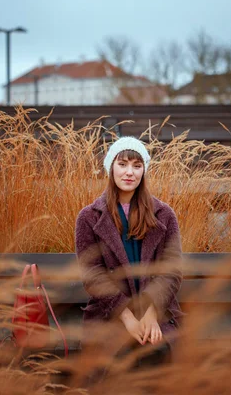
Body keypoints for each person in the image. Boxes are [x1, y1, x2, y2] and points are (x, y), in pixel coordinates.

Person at [74, 136, 184, 373]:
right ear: (110, 167)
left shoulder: (164, 214)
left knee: (157, 350)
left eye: (137, 165)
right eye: (122, 164)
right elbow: (93, 275)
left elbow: (171, 270)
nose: (129, 172)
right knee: (114, 356)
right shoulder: (89, 217)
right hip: (109, 315)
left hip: (157, 312)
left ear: (144, 170)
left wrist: (151, 314)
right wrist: (127, 318)